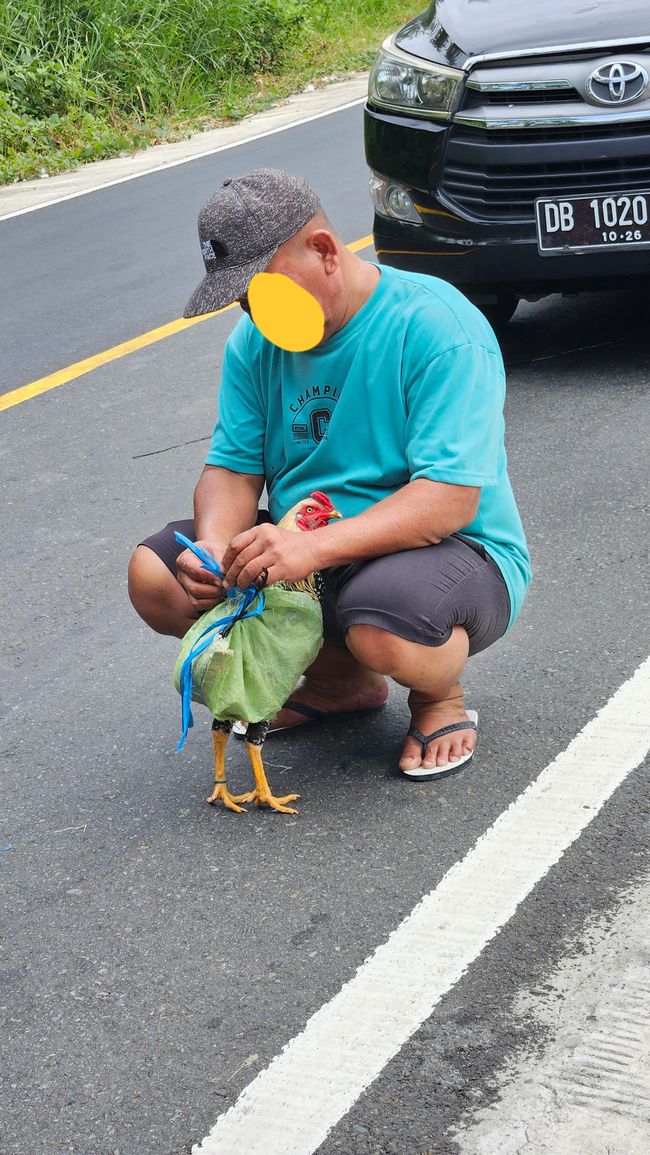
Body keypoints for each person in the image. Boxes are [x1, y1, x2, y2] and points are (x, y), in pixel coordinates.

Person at [128, 167, 531, 781]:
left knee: (384, 621)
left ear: (323, 251)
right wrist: (214, 546)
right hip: (309, 544)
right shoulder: (254, 344)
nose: (254, 317)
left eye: (263, 294)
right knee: (157, 577)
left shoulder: (437, 328)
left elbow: (446, 501)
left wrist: (307, 548)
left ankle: (437, 696)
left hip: (450, 550)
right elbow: (234, 468)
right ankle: (343, 684)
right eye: (243, 303)